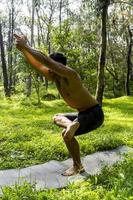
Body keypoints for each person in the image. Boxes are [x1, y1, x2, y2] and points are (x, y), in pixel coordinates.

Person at [14, 34, 104, 176]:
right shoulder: (55, 77)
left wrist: (27, 46)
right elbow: (38, 64)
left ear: (61, 66)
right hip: (82, 114)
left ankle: (77, 164)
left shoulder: (70, 75)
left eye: (52, 66)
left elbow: (46, 61)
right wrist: (23, 50)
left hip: (95, 114)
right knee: (57, 118)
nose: (48, 69)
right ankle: (71, 128)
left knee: (65, 134)